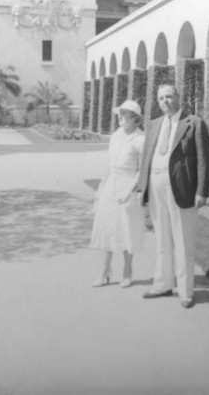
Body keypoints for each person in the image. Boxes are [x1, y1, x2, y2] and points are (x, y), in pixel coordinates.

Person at [137, 84, 209, 308]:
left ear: (178, 97)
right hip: (156, 184)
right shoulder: (155, 124)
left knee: (183, 242)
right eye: (161, 98)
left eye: (169, 96)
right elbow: (146, 157)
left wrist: (202, 191)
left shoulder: (194, 123)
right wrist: (143, 186)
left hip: (182, 189)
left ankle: (186, 292)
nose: (165, 102)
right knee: (161, 240)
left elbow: (204, 160)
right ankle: (162, 285)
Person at [90, 100, 146, 288]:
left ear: (135, 118)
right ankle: (104, 271)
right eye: (119, 113)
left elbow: (142, 169)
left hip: (128, 186)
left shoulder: (140, 139)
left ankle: (127, 270)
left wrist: (130, 190)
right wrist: (100, 190)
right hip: (111, 185)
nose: (120, 117)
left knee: (126, 228)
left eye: (124, 114)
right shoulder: (115, 136)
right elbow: (109, 165)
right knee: (107, 227)